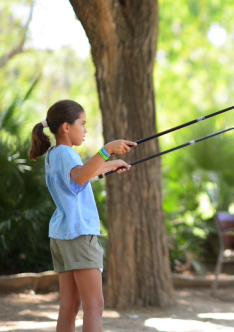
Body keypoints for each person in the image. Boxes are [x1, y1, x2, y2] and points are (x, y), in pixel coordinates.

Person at [29, 100, 136, 332]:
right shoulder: (68, 153)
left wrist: (111, 164)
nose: (86, 130)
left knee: (69, 306)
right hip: (79, 234)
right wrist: (107, 150)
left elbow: (78, 177)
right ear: (66, 127)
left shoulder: (53, 154)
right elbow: (79, 177)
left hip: (62, 234)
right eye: (83, 124)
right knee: (94, 305)